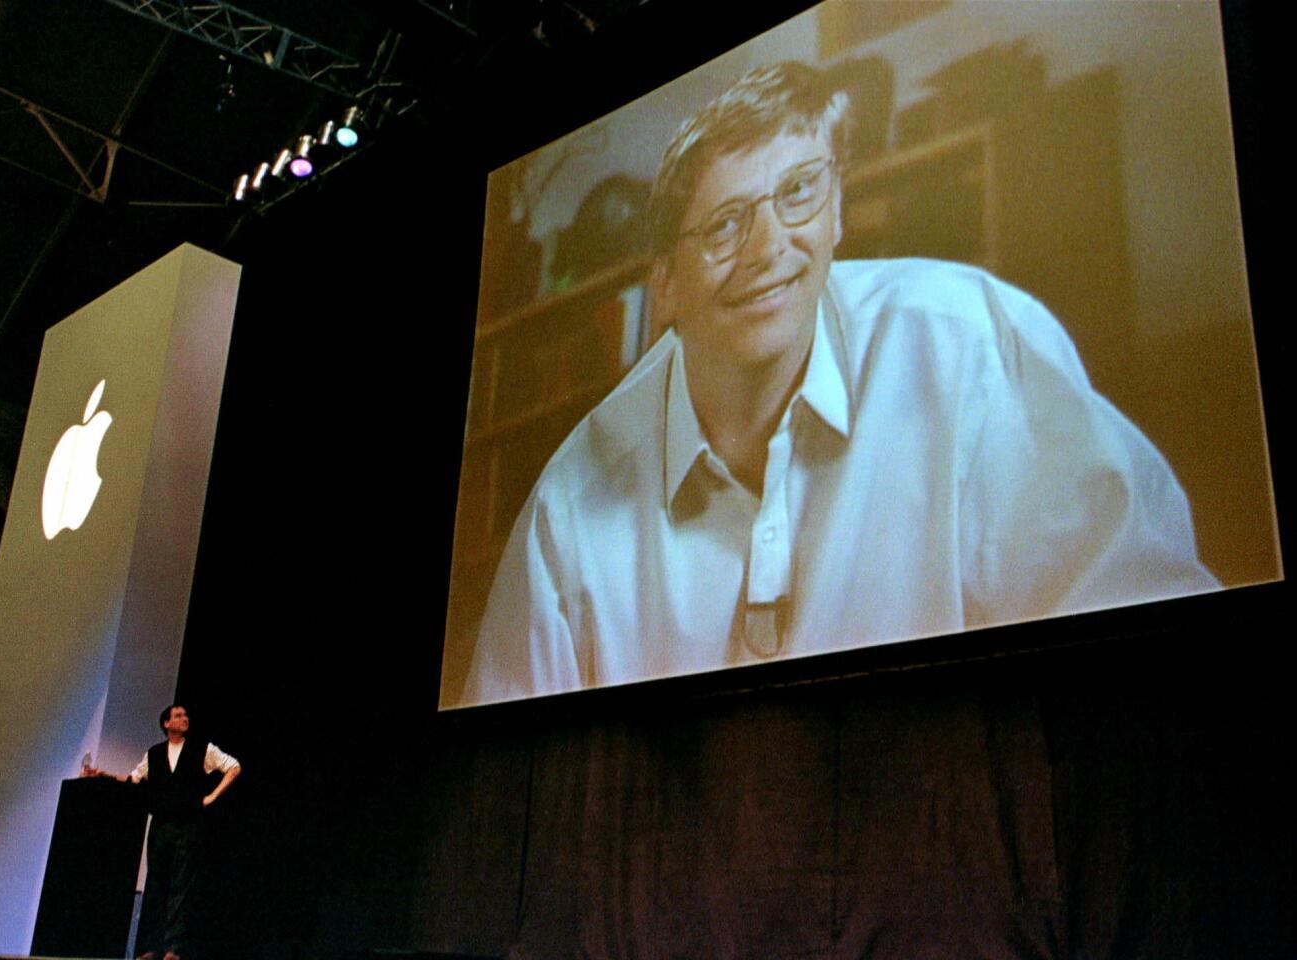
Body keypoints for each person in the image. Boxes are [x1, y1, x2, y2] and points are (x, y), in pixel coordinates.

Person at [463, 61, 1217, 706]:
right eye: (725, 224)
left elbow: (1152, 643)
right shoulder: (569, 507)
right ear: (662, 286)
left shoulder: (967, 343)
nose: (769, 250)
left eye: (798, 193)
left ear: (837, 214)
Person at [84, 704, 240, 960]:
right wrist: (103, 774)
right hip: (160, 825)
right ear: (166, 724)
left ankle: (173, 948)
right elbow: (134, 778)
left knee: (180, 885)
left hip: (188, 824)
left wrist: (211, 797)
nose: (185, 718)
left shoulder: (203, 748)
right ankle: (151, 946)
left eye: (186, 715)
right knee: (156, 883)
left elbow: (233, 766)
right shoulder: (154, 754)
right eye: (178, 715)